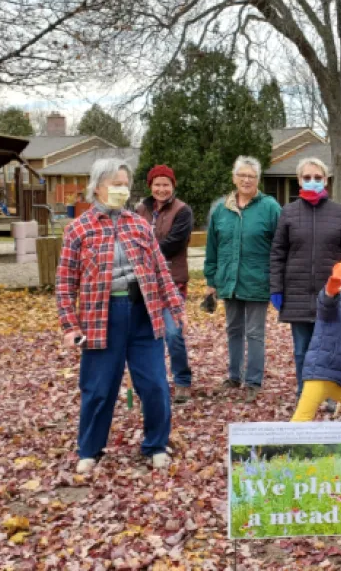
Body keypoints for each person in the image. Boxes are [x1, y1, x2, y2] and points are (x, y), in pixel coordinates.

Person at [56, 159, 185, 474]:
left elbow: (159, 269)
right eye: (115, 184)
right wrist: (70, 326)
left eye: (125, 184)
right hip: (102, 319)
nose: (121, 190)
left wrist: (176, 308)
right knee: (98, 387)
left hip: (143, 314)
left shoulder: (139, 224)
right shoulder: (79, 229)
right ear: (98, 187)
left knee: (154, 384)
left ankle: (156, 444)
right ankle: (90, 449)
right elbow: (64, 284)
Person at [269, 157, 341, 403]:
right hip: (297, 293)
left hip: (331, 295)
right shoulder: (288, 213)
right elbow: (278, 253)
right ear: (299, 180)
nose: (312, 181)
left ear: (325, 180)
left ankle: (331, 395)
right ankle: (305, 394)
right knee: (302, 350)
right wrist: (276, 288)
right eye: (307, 177)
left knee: (330, 348)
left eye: (317, 177)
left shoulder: (338, 213)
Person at [204, 156, 281, 403]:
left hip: (258, 279)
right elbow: (212, 247)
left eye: (251, 176)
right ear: (234, 177)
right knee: (233, 329)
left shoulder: (270, 208)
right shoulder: (221, 209)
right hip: (229, 280)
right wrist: (211, 279)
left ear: (258, 179)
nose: (246, 180)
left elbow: (281, 246)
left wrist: (278, 279)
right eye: (242, 175)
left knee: (255, 332)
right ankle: (234, 375)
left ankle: (253, 381)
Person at [136, 164, 194, 404]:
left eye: (166, 184)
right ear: (151, 186)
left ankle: (182, 379)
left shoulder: (183, 211)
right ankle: (154, 381)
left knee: (173, 332)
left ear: (173, 186)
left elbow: (174, 243)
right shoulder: (140, 209)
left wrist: (144, 252)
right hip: (143, 281)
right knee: (147, 335)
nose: (161, 189)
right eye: (157, 184)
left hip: (172, 280)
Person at [291, 262, 341, 422]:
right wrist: (329, 293)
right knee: (303, 416)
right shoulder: (333, 307)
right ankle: (288, 446)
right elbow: (325, 305)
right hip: (319, 375)